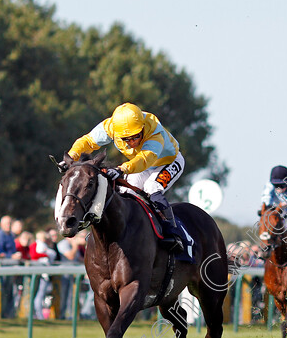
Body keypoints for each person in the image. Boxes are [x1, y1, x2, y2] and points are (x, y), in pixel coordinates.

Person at [63, 102, 191, 260]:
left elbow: (145, 159)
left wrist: (122, 169)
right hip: (140, 165)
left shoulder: (154, 130)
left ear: (143, 127)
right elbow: (88, 141)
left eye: (136, 136)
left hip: (168, 162)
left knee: (152, 186)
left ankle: (173, 232)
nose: (132, 142)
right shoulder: (110, 127)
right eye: (126, 139)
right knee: (124, 193)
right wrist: (72, 156)